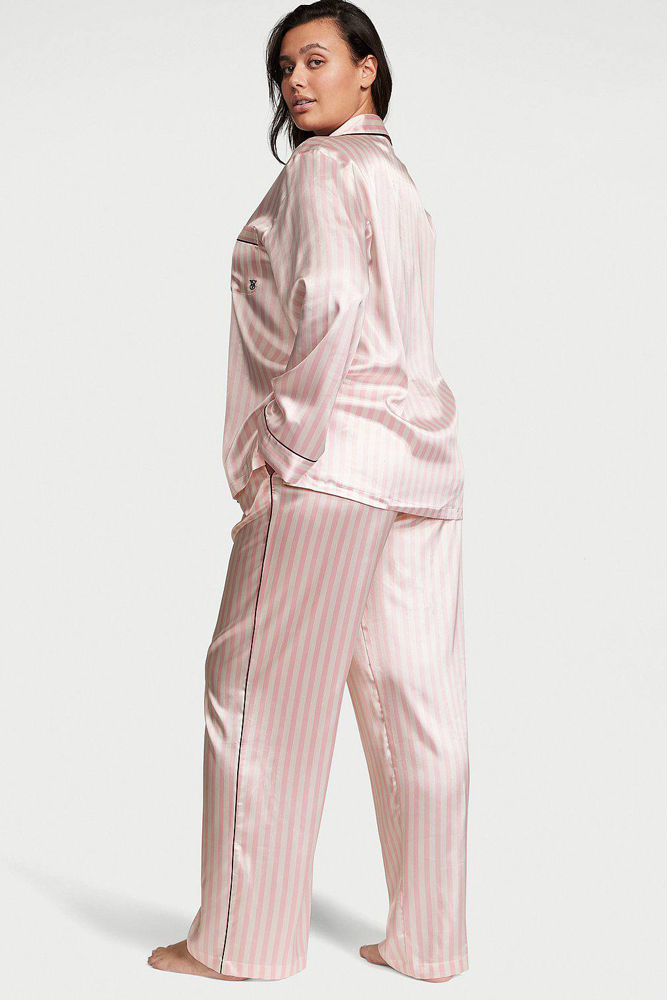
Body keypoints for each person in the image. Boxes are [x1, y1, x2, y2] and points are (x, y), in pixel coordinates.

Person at [148, 0, 468, 983]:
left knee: (255, 696)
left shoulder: (323, 169)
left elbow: (329, 298)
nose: (294, 80)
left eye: (316, 59)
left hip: (328, 461)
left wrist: (280, 444)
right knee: (416, 708)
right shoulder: (398, 181)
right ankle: (428, 944)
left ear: (368, 68)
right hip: (419, 465)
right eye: (284, 66)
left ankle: (239, 944)